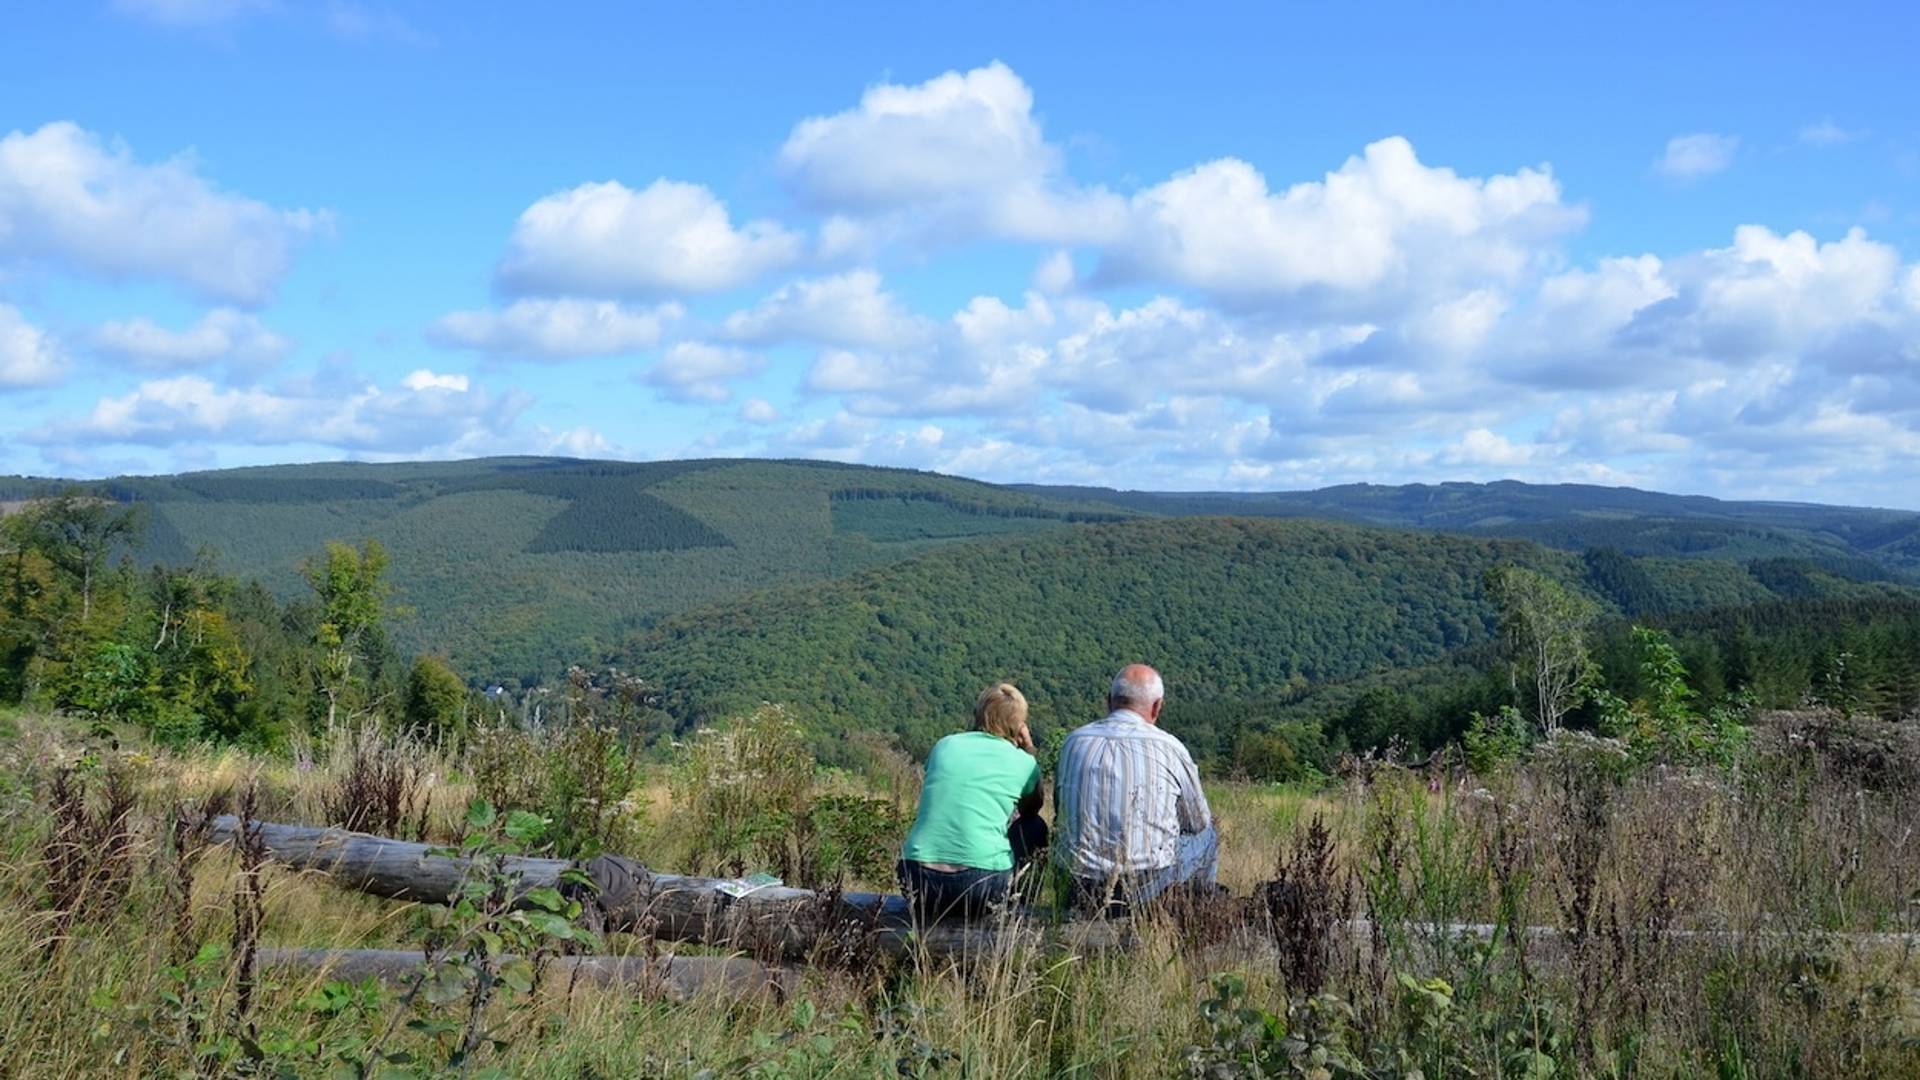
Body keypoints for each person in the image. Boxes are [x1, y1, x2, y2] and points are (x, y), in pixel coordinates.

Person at [1053, 664, 1217, 914]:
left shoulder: (1073, 742)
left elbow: (1060, 811)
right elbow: (1198, 822)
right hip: (1144, 887)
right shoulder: (1171, 747)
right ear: (1157, 706)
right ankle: (1198, 914)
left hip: (1076, 884)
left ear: (1109, 702)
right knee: (1209, 836)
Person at [897, 682, 1047, 921]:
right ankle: (1017, 911)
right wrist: (1028, 749)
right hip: (979, 882)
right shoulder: (1023, 762)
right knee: (1034, 826)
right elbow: (1032, 807)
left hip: (916, 876)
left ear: (978, 713)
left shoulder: (945, 745)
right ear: (1020, 725)